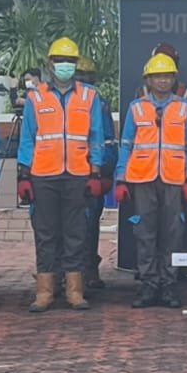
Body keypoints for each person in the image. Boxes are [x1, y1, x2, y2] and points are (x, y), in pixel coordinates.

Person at [16, 36, 107, 313]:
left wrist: (95, 172)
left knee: (76, 234)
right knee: (45, 234)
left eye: (69, 61)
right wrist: (23, 174)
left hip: (77, 174)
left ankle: (74, 291)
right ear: (50, 63)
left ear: (76, 64)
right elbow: (27, 138)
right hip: (44, 174)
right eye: (60, 60)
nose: (65, 65)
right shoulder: (36, 97)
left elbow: (96, 137)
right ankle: (45, 291)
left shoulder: (89, 96)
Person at [114, 52, 187, 308]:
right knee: (145, 233)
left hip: (173, 179)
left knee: (173, 233)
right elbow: (126, 144)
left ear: (174, 79)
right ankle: (149, 285)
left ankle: (169, 284)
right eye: (157, 76)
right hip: (142, 178)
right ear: (148, 80)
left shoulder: (184, 108)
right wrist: (121, 178)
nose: (163, 80)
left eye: (167, 76)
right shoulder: (136, 108)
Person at [76, 54, 115, 291]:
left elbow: (107, 140)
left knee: (88, 226)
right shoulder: (54, 101)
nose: (83, 82)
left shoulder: (99, 104)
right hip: (62, 173)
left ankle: (88, 271)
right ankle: (60, 275)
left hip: (92, 173)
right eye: (79, 77)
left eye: (86, 78)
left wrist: (105, 172)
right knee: (62, 229)